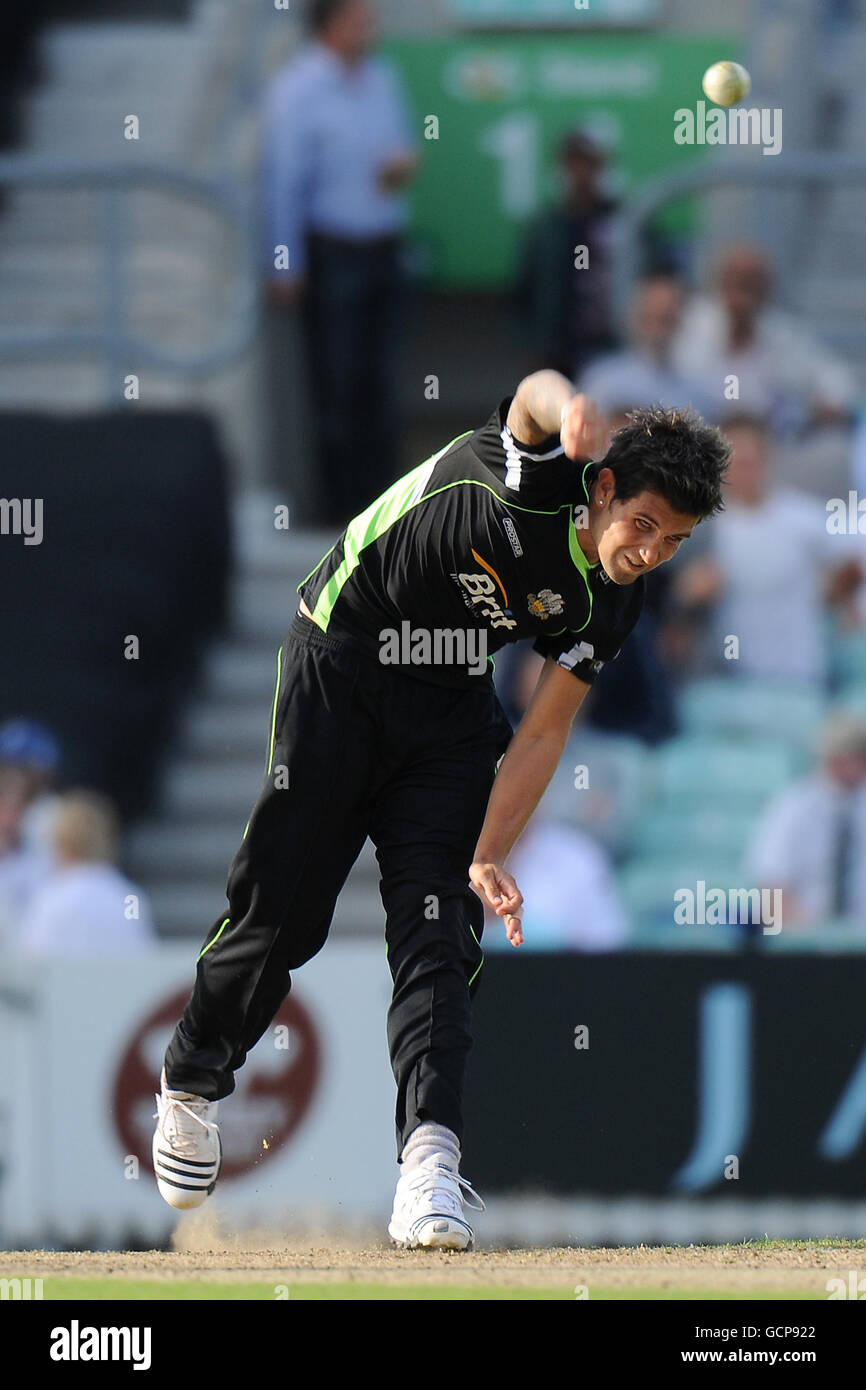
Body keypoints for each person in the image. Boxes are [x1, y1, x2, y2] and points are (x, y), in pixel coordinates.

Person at [151, 371, 729, 1248]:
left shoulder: (613, 596)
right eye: (642, 525)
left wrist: (490, 852)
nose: (649, 550)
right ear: (602, 487)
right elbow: (532, 399)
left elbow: (542, 733)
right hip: (341, 659)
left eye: (674, 541)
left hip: (451, 705)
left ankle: (429, 1161)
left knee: (439, 931)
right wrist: (568, 403)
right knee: (285, 910)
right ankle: (191, 1082)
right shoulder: (535, 483)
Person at [261, 0, 419, 525]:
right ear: (330, 24)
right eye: (360, 19)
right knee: (337, 386)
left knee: (381, 383)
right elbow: (284, 183)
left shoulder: (382, 78)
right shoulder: (297, 90)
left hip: (383, 244)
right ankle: (339, 513)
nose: (370, 28)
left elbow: (398, 147)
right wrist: (285, 264)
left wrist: (399, 167)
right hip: (332, 253)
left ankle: (386, 510)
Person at [668, 413, 863, 686]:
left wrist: (835, 599)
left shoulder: (803, 517)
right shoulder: (703, 528)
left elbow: (853, 562)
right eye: (730, 463)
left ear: (765, 459)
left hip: (799, 674)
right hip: (730, 680)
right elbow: (678, 609)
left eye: (748, 461)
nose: (740, 471)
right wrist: (689, 594)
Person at [745, 710, 866, 929]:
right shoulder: (792, 807)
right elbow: (771, 890)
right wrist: (818, 933)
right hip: (804, 941)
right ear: (832, 760)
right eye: (853, 756)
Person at [18, 790, 155, 957]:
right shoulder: (129, 897)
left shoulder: (52, 899)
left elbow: (31, 961)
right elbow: (143, 957)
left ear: (61, 842)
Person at [578, 274, 719, 423]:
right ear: (637, 315)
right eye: (654, 315)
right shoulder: (602, 381)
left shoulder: (698, 395)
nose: (660, 326)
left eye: (667, 318)